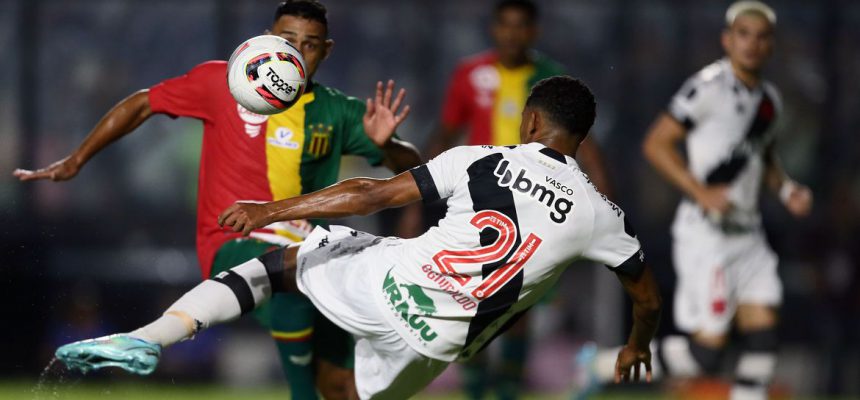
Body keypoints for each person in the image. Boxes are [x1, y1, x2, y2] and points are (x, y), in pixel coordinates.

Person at [55, 76, 661, 400]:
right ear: (581, 137)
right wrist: (635, 346)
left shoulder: (480, 159)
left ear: (530, 120)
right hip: (438, 346)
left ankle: (149, 337)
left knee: (281, 263)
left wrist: (272, 208)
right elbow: (646, 298)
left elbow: (370, 194)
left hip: (390, 284)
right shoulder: (604, 215)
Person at [14, 1, 421, 399]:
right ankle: (150, 339)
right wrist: (76, 160)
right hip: (232, 238)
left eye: (310, 43)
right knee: (292, 287)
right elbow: (143, 103)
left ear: (326, 50)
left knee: (340, 386)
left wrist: (390, 145)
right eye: (287, 39)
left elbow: (410, 169)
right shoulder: (224, 82)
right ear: (267, 40)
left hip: (311, 249)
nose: (295, 51)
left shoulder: (339, 111)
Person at [425, 2, 612, 397]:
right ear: (494, 30)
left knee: (518, 309)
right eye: (504, 26)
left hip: (534, 205)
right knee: (471, 302)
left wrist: (606, 205)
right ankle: (476, 392)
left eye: (520, 27)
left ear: (533, 32)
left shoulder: (549, 78)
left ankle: (507, 390)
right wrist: (415, 199)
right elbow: (445, 132)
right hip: (476, 205)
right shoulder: (469, 74)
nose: (512, 34)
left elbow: (586, 145)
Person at [641, 2, 812, 399]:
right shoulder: (707, 87)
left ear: (771, 45)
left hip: (748, 236)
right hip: (708, 236)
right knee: (706, 356)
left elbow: (763, 154)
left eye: (761, 36)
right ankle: (607, 362)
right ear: (727, 40)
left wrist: (786, 188)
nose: (752, 44)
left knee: (764, 333)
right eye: (743, 34)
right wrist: (700, 191)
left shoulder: (770, 100)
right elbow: (656, 143)